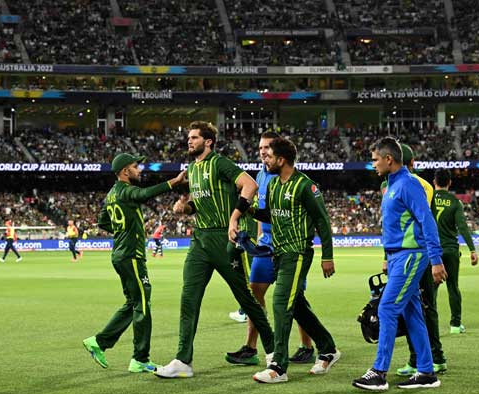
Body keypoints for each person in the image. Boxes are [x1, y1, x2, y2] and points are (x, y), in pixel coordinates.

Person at [154, 121, 274, 379]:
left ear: (208, 142)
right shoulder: (192, 169)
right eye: (189, 137)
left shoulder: (220, 163)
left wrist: (234, 217)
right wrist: (184, 209)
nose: (189, 141)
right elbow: (197, 205)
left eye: (194, 137)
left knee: (246, 299)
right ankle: (183, 360)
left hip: (224, 239)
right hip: (200, 240)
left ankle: (275, 352)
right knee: (189, 299)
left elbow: (250, 185)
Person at [352, 137, 446, 391]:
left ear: (388, 159)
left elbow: (427, 221)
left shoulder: (408, 184)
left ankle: (379, 372)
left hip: (410, 256)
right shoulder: (393, 185)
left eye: (375, 159)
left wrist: (436, 260)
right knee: (411, 312)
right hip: (397, 257)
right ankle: (426, 372)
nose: (372, 164)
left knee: (387, 309)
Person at [82, 153, 187, 373]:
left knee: (133, 303)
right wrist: (173, 183)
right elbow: (145, 194)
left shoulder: (111, 194)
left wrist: (122, 231)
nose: (139, 170)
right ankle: (140, 358)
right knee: (142, 304)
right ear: (124, 172)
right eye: (135, 167)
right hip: (131, 256)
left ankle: (99, 342)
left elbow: (103, 221)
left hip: (121, 254)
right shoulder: (127, 191)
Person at [248, 137, 340, 384]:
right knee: (297, 304)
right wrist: (248, 209)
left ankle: (278, 366)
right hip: (278, 254)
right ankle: (328, 349)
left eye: (269, 156)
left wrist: (327, 256)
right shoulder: (276, 185)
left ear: (282, 159)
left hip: (297, 253)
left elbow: (322, 221)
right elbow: (269, 214)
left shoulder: (305, 186)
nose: (264, 159)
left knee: (280, 303)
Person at [226, 132, 316, 366]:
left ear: (278, 152)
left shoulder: (289, 179)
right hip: (265, 247)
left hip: (289, 247)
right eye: (260, 147)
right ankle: (250, 347)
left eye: (267, 147)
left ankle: (307, 346)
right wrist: (257, 239)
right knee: (254, 296)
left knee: (295, 299)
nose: (263, 151)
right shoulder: (259, 176)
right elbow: (260, 213)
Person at [392, 144, 447, 376]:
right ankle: (429, 357)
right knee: (422, 306)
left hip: (414, 253)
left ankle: (425, 358)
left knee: (416, 306)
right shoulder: (419, 184)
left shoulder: (405, 185)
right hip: (417, 252)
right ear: (413, 162)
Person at [432, 169, 478, 335]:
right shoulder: (455, 202)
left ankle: (430, 324)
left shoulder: (427, 199)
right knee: (453, 287)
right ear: (450, 182)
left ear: (434, 182)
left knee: (431, 288)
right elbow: (462, 227)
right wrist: (472, 249)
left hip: (432, 251)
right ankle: (455, 325)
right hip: (450, 250)